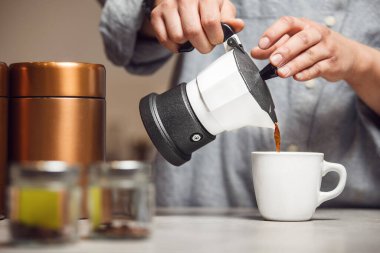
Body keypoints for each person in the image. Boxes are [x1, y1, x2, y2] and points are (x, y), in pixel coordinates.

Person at [99, 0, 380, 207]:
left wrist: (361, 62)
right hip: (198, 208)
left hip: (352, 220)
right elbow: (127, 17)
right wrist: (162, 8)